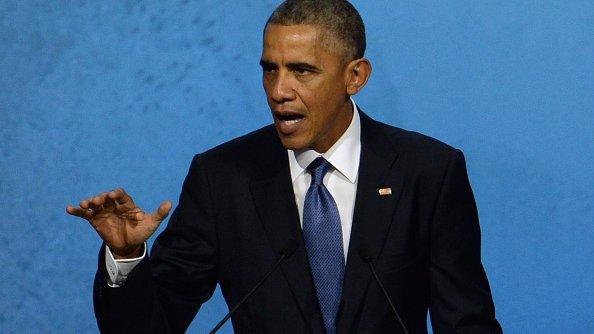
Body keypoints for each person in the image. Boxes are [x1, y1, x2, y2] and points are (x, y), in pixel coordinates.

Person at [67, 1, 503, 333]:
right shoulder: (222, 178)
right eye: (270, 69)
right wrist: (126, 257)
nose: (279, 90)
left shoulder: (427, 172)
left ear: (355, 76)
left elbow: (466, 323)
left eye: (302, 70)